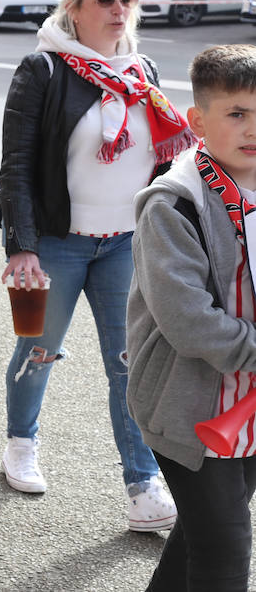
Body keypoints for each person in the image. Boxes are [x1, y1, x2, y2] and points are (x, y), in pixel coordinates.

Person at [0, 0, 190, 531]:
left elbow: (162, 162)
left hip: (125, 244)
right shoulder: (44, 69)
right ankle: (20, 443)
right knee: (37, 348)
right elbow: (18, 166)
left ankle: (142, 484)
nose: (119, 8)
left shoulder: (141, 72)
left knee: (131, 362)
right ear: (74, 5)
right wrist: (21, 245)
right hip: (55, 242)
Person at [129, 44, 256, 587]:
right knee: (225, 551)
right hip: (190, 406)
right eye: (237, 114)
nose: (253, 128)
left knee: (199, 538)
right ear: (197, 121)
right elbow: (187, 320)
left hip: (247, 405)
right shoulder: (174, 204)